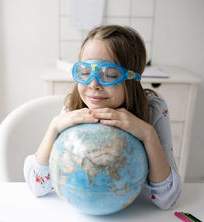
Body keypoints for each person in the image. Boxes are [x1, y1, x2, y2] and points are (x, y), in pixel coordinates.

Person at [24, 25, 181, 210]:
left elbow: (167, 199)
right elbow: (37, 186)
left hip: (135, 220)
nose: (93, 84)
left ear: (132, 79)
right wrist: (54, 127)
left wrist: (148, 134)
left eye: (109, 74)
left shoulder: (153, 109)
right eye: (84, 72)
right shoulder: (72, 108)